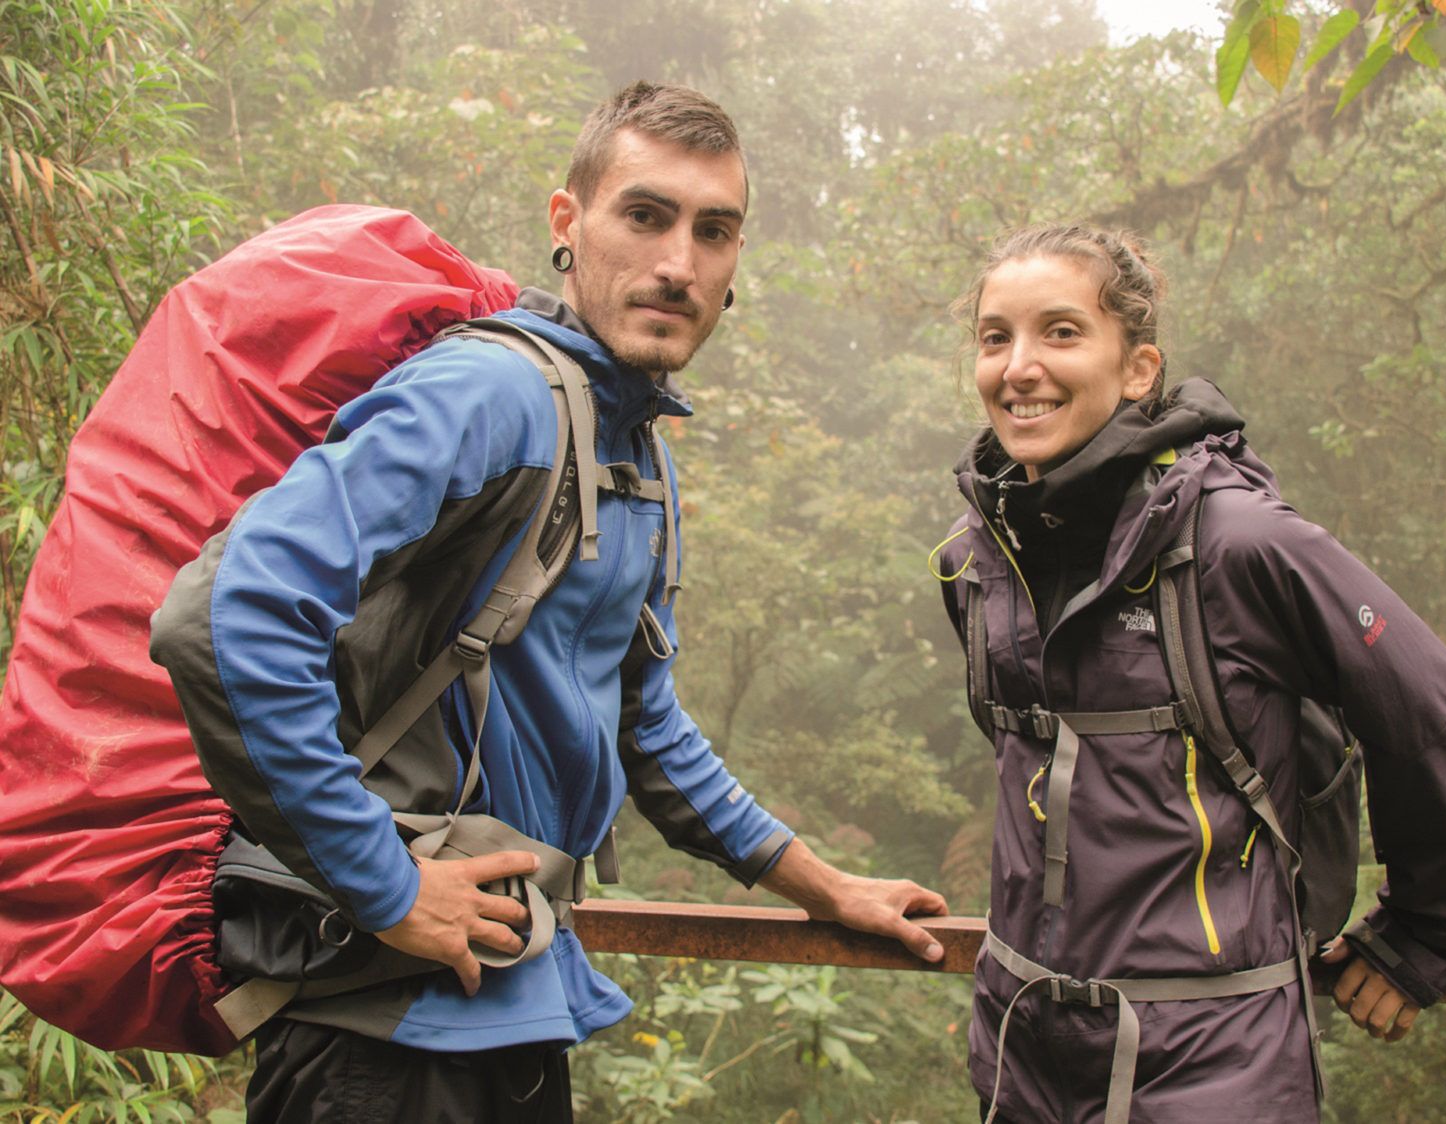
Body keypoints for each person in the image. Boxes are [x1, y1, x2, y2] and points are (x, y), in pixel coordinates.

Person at [152, 81, 947, 1123]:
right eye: (646, 215)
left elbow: (642, 718)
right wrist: (386, 882)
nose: (679, 262)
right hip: (380, 1039)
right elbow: (226, 613)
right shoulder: (491, 395)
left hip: (511, 1000)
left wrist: (822, 884)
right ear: (568, 224)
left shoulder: (636, 452)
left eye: (715, 231)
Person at [932, 224, 1446, 1123]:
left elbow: (1429, 704)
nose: (1019, 366)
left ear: (1138, 368)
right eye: (996, 337)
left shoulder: (1236, 541)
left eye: (1062, 333)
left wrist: (1425, 934)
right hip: (1023, 1047)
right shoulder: (980, 556)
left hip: (1214, 1065)